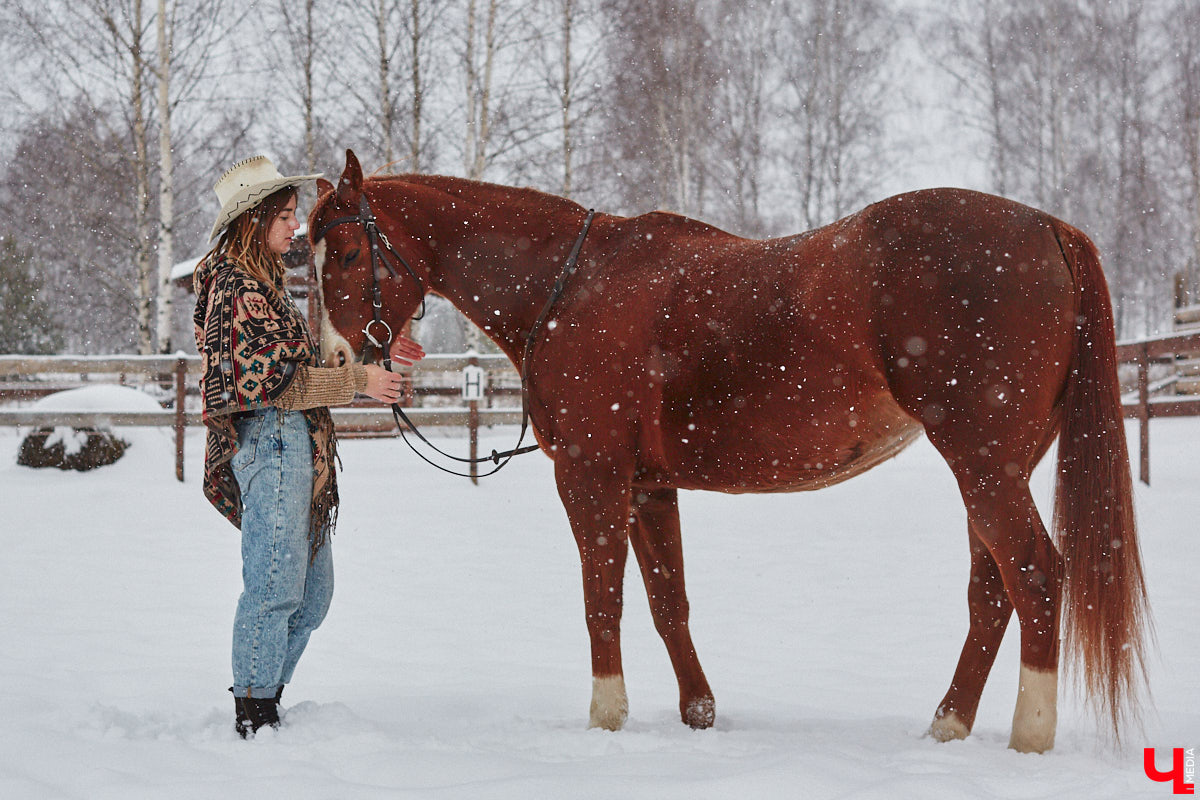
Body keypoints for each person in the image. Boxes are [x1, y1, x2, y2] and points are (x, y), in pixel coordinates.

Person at [193, 155, 424, 738]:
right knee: (274, 585)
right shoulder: (234, 289)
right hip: (273, 446)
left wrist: (380, 359)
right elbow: (274, 384)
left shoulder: (265, 286)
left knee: (311, 594)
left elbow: (297, 368)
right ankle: (254, 716)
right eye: (287, 217)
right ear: (255, 218)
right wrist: (357, 383)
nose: (295, 228)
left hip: (300, 447)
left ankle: (265, 693)